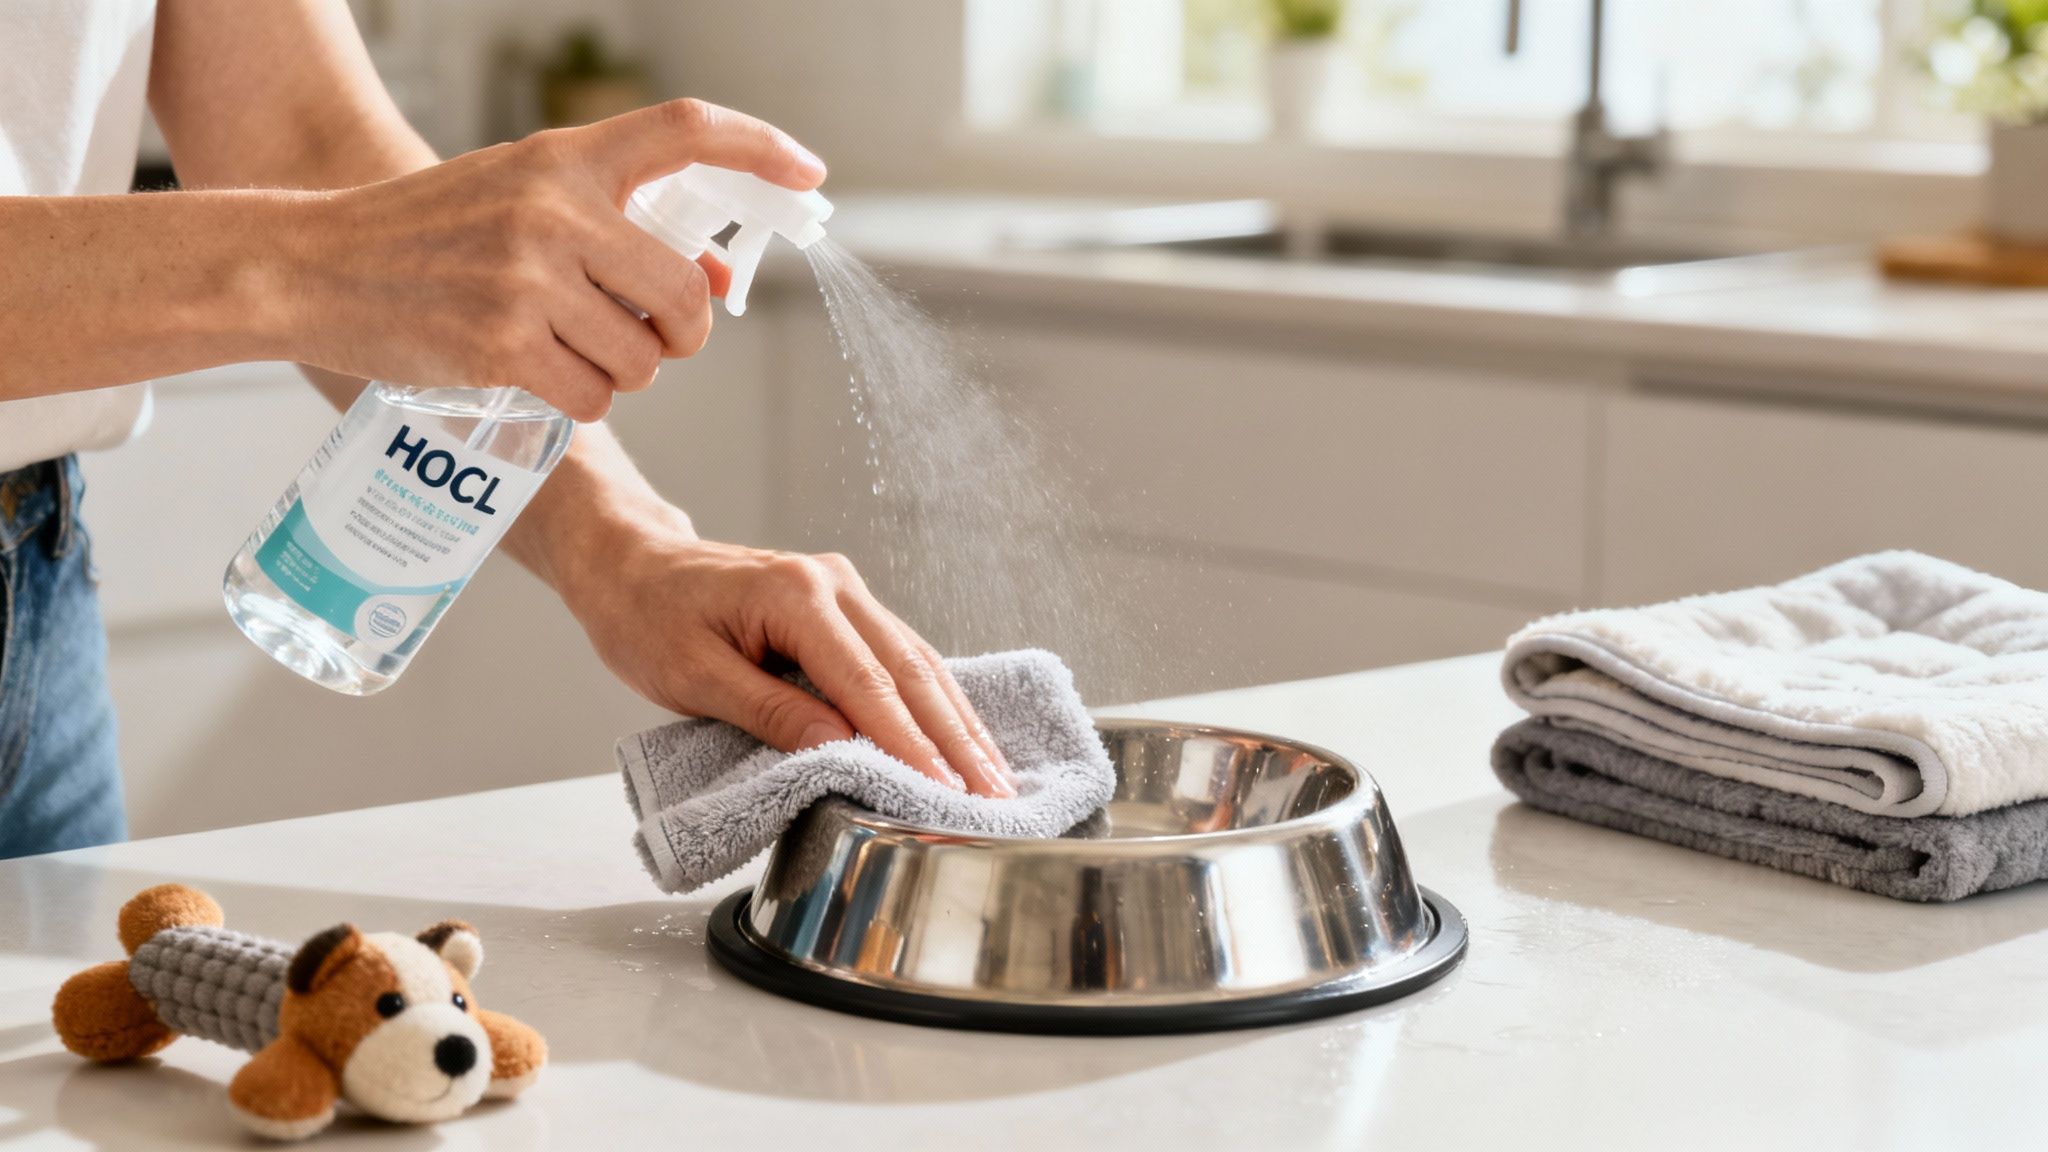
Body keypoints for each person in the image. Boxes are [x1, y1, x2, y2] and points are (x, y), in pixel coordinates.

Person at [0, 1, 1015, 859]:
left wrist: (630, 549)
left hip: (35, 606)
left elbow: (301, 137)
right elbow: (335, 221)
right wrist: (329, 260)